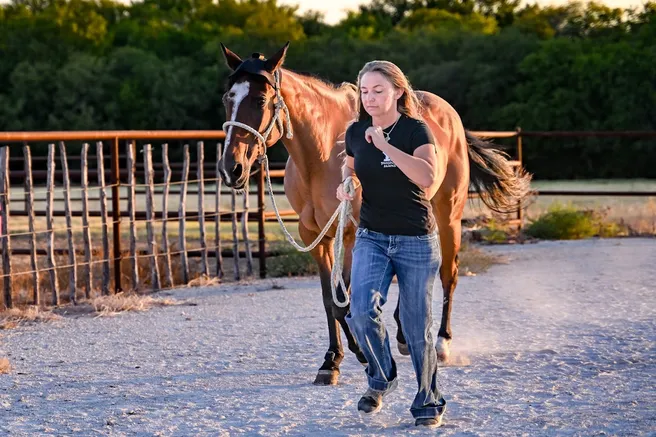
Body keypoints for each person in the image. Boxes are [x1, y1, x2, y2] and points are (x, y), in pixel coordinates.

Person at [337, 60, 447, 428]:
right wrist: (346, 182)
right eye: (364, 91)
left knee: (417, 327)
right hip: (372, 236)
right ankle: (382, 376)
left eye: (378, 90)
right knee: (360, 313)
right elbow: (350, 165)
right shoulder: (355, 131)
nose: (369, 98)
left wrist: (385, 146)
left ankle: (428, 400)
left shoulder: (416, 130)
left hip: (416, 239)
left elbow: (426, 177)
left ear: (398, 92)